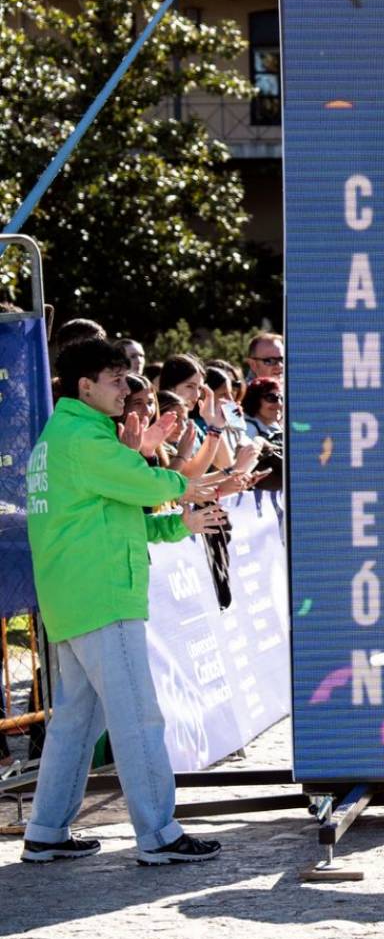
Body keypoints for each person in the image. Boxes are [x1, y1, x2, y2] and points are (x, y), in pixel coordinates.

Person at [23, 339, 230, 865]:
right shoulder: (83, 440)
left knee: (75, 722)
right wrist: (192, 481)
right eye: (116, 379)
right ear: (84, 386)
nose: (126, 387)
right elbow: (147, 484)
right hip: (103, 596)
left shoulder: (67, 436)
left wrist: (178, 518)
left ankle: (46, 829)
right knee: (138, 717)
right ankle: (159, 834)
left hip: (76, 598)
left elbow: (120, 514)